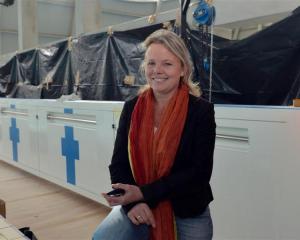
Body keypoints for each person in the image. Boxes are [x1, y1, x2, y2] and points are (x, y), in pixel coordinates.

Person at [92, 29, 216, 240]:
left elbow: (198, 173)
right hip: (141, 206)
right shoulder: (132, 108)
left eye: (167, 64)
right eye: (151, 63)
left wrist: (143, 193)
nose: (157, 71)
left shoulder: (200, 111)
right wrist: (134, 203)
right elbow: (119, 163)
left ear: (183, 69)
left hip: (187, 208)